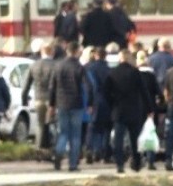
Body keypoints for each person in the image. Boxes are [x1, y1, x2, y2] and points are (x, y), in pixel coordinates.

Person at [103, 49, 152, 173]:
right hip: (134, 110)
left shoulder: (112, 73)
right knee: (135, 139)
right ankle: (136, 162)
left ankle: (119, 164)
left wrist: (112, 104)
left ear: (120, 59)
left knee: (118, 139)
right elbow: (144, 91)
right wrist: (149, 108)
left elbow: (106, 93)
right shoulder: (135, 72)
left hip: (118, 110)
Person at [48, 40, 91, 171]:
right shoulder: (79, 67)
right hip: (76, 104)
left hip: (61, 104)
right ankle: (73, 164)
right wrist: (90, 103)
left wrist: (52, 104)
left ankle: (58, 155)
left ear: (67, 51)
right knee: (76, 135)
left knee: (63, 133)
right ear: (77, 51)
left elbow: (52, 87)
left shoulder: (58, 66)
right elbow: (88, 87)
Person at [21, 41, 58, 157]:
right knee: (52, 125)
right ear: (51, 52)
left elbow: (26, 85)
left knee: (40, 124)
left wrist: (24, 99)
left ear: (41, 52)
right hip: (53, 100)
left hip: (38, 98)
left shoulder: (34, 65)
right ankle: (51, 149)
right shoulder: (55, 65)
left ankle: (39, 148)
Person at [84, 46, 112, 163]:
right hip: (107, 101)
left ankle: (89, 149)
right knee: (106, 128)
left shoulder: (88, 68)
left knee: (92, 127)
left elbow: (89, 88)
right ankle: (103, 153)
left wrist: (89, 103)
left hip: (94, 101)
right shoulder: (109, 69)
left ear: (96, 55)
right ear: (105, 56)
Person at [137, 50, 162, 170]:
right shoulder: (151, 76)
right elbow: (159, 93)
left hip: (137, 107)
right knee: (151, 132)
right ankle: (151, 160)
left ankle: (139, 158)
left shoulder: (135, 74)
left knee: (137, 133)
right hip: (150, 108)